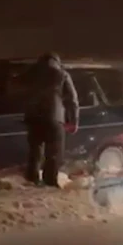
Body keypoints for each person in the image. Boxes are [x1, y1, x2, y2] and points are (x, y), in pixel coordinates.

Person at [21, 52, 79, 188]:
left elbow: (17, 89)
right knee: (53, 152)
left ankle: (32, 180)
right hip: (54, 118)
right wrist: (73, 121)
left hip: (33, 117)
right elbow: (72, 100)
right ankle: (50, 182)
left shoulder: (30, 75)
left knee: (35, 151)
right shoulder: (62, 75)